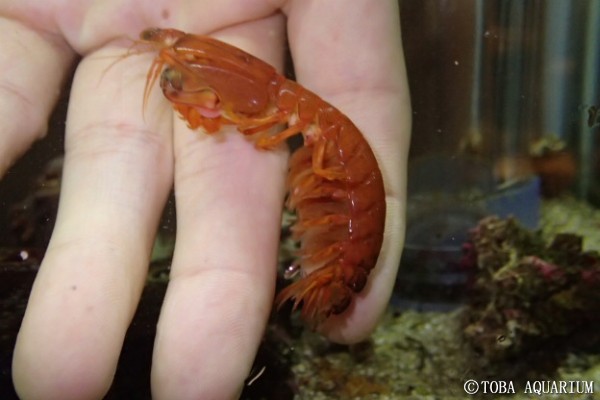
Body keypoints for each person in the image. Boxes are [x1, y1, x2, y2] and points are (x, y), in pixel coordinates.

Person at [0, 0, 410, 398]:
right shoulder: (278, 103)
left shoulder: (293, 115)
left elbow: (234, 112)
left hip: (351, 199)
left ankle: (336, 275)